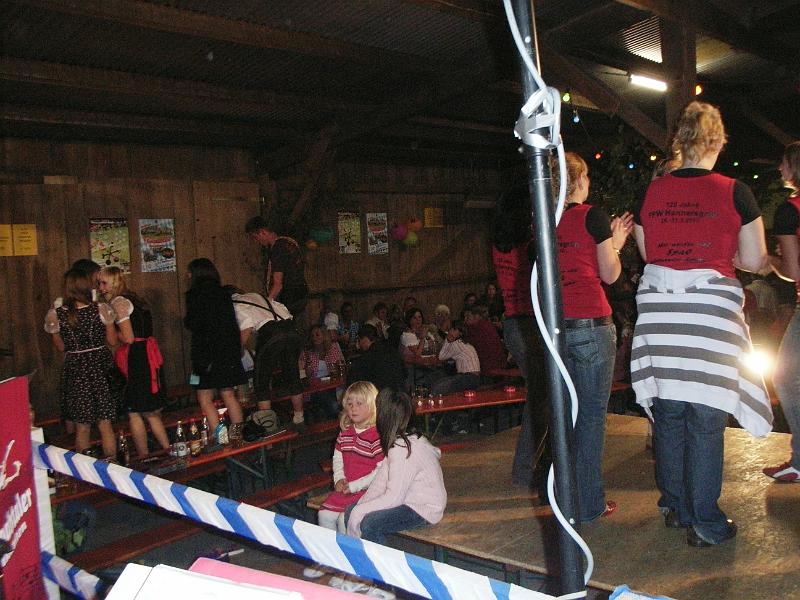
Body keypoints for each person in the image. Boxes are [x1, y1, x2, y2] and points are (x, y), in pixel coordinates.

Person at [631, 101, 773, 546]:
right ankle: (705, 523)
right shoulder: (735, 191)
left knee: (670, 411)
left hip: (660, 316)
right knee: (706, 414)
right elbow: (754, 259)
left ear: (681, 141)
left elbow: (648, 253)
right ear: (718, 141)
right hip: (708, 314)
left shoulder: (652, 192)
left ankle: (676, 506)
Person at [556, 151, 633, 522]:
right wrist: (615, 243)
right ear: (579, 180)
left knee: (568, 416)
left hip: (559, 328)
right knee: (591, 418)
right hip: (591, 323)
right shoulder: (593, 217)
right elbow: (610, 275)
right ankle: (589, 503)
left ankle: (565, 498)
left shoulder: (545, 219)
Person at [492, 183, 551, 493]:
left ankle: (530, 466)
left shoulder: (498, 245)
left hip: (513, 325)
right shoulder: (529, 246)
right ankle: (527, 467)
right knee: (542, 399)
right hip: (531, 325)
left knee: (539, 397)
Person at [303, 382, 383, 579]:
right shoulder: (345, 433)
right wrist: (339, 478)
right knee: (324, 515)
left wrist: (354, 485)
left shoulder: (376, 436)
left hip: (367, 491)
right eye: (349, 403)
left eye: (359, 404)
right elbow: (338, 458)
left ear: (372, 406)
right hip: (346, 488)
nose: (353, 408)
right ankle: (329, 559)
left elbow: (380, 471)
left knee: (343, 520)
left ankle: (349, 567)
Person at [347, 388, 447, 545]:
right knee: (352, 511)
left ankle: (379, 561)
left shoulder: (403, 449)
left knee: (370, 524)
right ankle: (358, 557)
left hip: (424, 508)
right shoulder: (399, 441)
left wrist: (359, 513)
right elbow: (380, 482)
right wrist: (359, 509)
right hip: (406, 499)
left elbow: (393, 498)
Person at [44, 268, 119, 457]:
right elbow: (112, 341)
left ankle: (84, 470)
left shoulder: (57, 314)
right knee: (105, 425)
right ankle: (113, 465)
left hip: (76, 369)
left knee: (82, 427)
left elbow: (61, 347)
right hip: (99, 367)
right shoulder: (101, 309)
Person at [98, 267, 170, 458]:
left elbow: (128, 337)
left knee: (135, 411)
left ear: (114, 282)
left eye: (104, 283)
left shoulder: (118, 302)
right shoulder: (136, 299)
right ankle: (168, 450)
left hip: (136, 357)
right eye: (99, 283)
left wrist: (110, 329)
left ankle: (144, 456)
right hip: (146, 353)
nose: (101, 288)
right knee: (150, 412)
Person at [763, 141, 800, 483]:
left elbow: (793, 270)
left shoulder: (790, 211)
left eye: (784, 164)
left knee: (785, 378)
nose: (779, 169)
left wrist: (769, 261)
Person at [184, 258, 246, 442]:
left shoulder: (194, 294)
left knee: (204, 397)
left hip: (205, 353)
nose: (187, 275)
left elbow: (194, 323)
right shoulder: (223, 293)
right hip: (227, 350)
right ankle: (238, 436)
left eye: (190, 272)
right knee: (229, 393)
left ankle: (220, 437)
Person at [227, 288, 304, 431]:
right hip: (291, 330)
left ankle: (268, 427)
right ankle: (299, 419)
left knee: (261, 381)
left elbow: (246, 328)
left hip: (271, 334)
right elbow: (284, 310)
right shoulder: (257, 296)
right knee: (293, 376)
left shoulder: (236, 303)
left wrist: (234, 355)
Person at [245, 216, 309, 319]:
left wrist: (267, 305)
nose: (257, 242)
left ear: (262, 232)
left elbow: (278, 285)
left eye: (255, 237)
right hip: (302, 292)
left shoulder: (278, 249)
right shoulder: (289, 241)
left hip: (290, 297)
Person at [299, 325, 345, 422]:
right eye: (312, 336)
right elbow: (304, 375)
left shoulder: (333, 349)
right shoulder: (307, 353)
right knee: (332, 405)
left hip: (333, 386)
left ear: (324, 335)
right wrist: (307, 368)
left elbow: (339, 368)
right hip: (316, 389)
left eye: (317, 335)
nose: (314, 338)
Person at [347, 324, 405, 391]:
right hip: (400, 391)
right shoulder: (390, 349)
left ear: (365, 339)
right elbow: (404, 371)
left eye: (359, 340)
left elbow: (352, 380)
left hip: (380, 393)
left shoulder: (368, 356)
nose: (359, 344)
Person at [399, 307, 444, 392]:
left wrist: (431, 339)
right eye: (414, 318)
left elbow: (435, 348)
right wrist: (423, 338)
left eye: (419, 317)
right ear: (409, 320)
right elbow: (418, 353)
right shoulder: (407, 335)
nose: (418, 320)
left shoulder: (425, 332)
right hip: (414, 369)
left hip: (428, 365)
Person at [431, 321, 480, 395]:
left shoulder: (456, 344)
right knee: (439, 382)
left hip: (468, 378)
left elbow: (441, 357)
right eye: (451, 329)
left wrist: (447, 340)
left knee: (438, 387)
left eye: (454, 329)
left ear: (460, 333)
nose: (450, 331)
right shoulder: (465, 343)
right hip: (473, 378)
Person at [462, 305, 506, 379]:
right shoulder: (487, 325)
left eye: (468, 317)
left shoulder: (475, 328)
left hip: (486, 371)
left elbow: (469, 347)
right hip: (499, 367)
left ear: (477, 316)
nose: (465, 320)